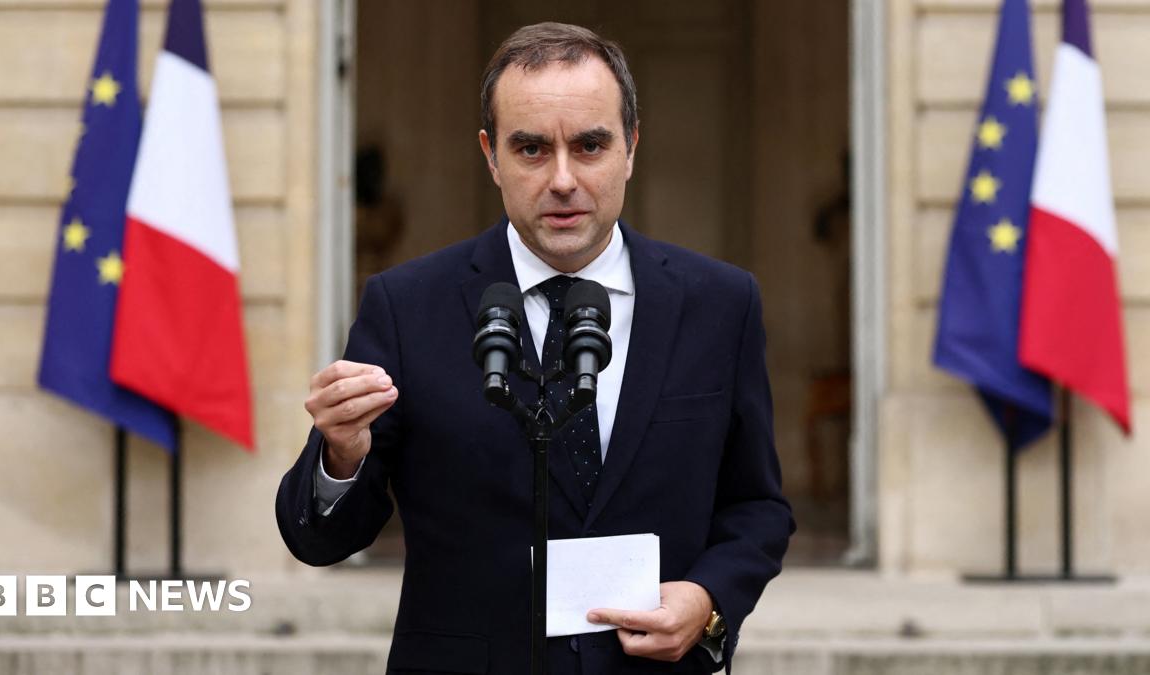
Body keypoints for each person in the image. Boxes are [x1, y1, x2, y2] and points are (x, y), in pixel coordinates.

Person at [276, 22, 794, 675]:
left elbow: (757, 505)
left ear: (630, 148)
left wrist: (708, 598)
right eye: (530, 149)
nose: (563, 179)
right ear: (491, 156)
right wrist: (340, 456)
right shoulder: (407, 307)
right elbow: (316, 538)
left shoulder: (721, 304)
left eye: (590, 145)